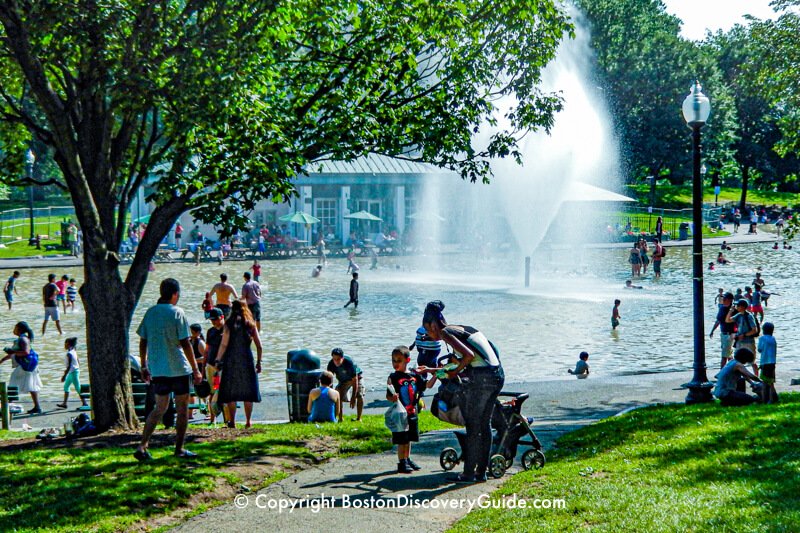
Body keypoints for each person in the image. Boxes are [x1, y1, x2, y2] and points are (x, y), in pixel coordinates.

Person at [419, 300, 503, 483]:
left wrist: (454, 374)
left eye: (428, 330)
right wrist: (431, 371)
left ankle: (468, 473)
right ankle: (481, 473)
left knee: (473, 426)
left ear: (434, 324)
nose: (430, 335)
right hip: (496, 375)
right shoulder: (461, 329)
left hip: (482, 379)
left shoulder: (446, 332)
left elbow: (468, 357)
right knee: (484, 424)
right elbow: (462, 360)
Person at [134, 278, 203, 461]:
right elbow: (185, 343)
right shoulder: (177, 312)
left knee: (159, 408)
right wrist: (196, 369)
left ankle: (142, 445)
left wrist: (143, 365)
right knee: (182, 409)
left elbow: (143, 341)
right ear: (175, 294)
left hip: (158, 370)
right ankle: (179, 448)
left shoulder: (150, 313)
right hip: (179, 369)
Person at [216, 300, 263, 428]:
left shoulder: (229, 324)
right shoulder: (250, 324)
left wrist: (218, 359)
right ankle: (248, 421)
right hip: (247, 359)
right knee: (248, 391)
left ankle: (233, 421)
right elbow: (259, 345)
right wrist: (259, 362)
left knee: (231, 391)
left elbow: (224, 344)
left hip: (231, 359)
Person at [387, 346, 429, 474]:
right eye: (393, 360)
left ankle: (407, 458)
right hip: (400, 414)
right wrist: (392, 397)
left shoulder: (414, 376)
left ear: (407, 360)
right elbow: (388, 396)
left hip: (412, 411)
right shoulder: (393, 377)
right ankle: (401, 462)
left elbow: (425, 386)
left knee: (409, 438)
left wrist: (436, 374)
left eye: (399, 360)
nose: (396, 363)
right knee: (402, 439)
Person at [0, 322, 42, 414]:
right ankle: (37, 407)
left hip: (27, 365)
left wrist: (13, 352)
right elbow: (14, 353)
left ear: (19, 329)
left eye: (15, 327)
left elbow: (26, 352)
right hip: (27, 365)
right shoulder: (21, 339)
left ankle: (9, 405)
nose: (13, 329)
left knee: (13, 382)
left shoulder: (23, 339)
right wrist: (3, 360)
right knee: (32, 385)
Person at [327, 348, 364, 422]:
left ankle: (358, 418)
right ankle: (340, 419)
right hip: (343, 380)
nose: (336, 361)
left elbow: (355, 380)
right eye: (334, 359)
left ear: (342, 358)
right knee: (337, 395)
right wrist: (329, 391)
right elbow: (329, 378)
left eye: (338, 359)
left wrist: (353, 397)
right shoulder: (331, 364)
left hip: (357, 378)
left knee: (359, 395)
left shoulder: (349, 363)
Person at [203, 307, 226, 422]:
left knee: (224, 391)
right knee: (213, 391)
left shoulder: (227, 330)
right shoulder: (210, 331)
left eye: (216, 319)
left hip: (223, 367)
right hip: (211, 366)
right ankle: (213, 419)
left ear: (222, 317)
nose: (214, 322)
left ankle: (228, 419)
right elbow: (206, 351)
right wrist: (203, 369)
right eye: (212, 320)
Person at [726, 299, 759, 366]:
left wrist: (744, 335)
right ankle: (739, 375)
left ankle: (756, 375)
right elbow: (728, 320)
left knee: (752, 361)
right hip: (740, 342)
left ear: (743, 307)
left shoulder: (749, 316)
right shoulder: (738, 315)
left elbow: (754, 330)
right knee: (738, 360)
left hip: (749, 342)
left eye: (738, 305)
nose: (736, 307)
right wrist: (731, 311)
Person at [57, 337, 87, 409]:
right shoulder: (74, 350)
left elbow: (69, 366)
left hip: (73, 372)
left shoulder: (69, 354)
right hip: (73, 372)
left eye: (65, 343)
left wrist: (64, 376)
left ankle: (85, 403)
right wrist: (76, 367)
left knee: (78, 388)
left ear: (68, 344)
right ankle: (64, 404)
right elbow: (78, 361)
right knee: (66, 387)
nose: (64, 345)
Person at [710, 292, 736, 368]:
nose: (723, 299)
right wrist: (712, 330)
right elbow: (718, 320)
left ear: (730, 300)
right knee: (728, 354)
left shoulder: (733, 310)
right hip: (723, 333)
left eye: (725, 298)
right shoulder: (722, 308)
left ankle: (722, 373)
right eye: (723, 298)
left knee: (725, 355)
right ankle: (733, 370)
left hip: (730, 334)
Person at [757, 322, 778, 404]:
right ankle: (772, 398)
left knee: (764, 382)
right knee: (771, 382)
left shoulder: (762, 338)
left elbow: (759, 349)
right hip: (772, 363)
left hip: (765, 362)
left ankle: (764, 399)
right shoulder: (773, 339)